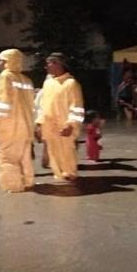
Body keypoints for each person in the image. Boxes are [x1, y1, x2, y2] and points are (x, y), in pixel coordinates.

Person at [0, 48, 35, 193]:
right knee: (24, 156)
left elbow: (2, 103)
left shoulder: (6, 77)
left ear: (9, 62)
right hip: (25, 127)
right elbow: (33, 106)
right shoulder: (27, 80)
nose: (0, 63)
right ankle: (28, 181)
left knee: (7, 158)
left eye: (3, 60)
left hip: (10, 126)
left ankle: (14, 186)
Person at [35, 52, 84, 181]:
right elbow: (43, 106)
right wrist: (39, 124)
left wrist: (71, 125)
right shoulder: (48, 83)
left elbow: (77, 107)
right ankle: (59, 175)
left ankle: (70, 174)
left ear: (58, 64)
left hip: (64, 128)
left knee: (67, 152)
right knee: (53, 153)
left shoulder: (71, 83)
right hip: (49, 126)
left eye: (49, 64)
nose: (47, 67)